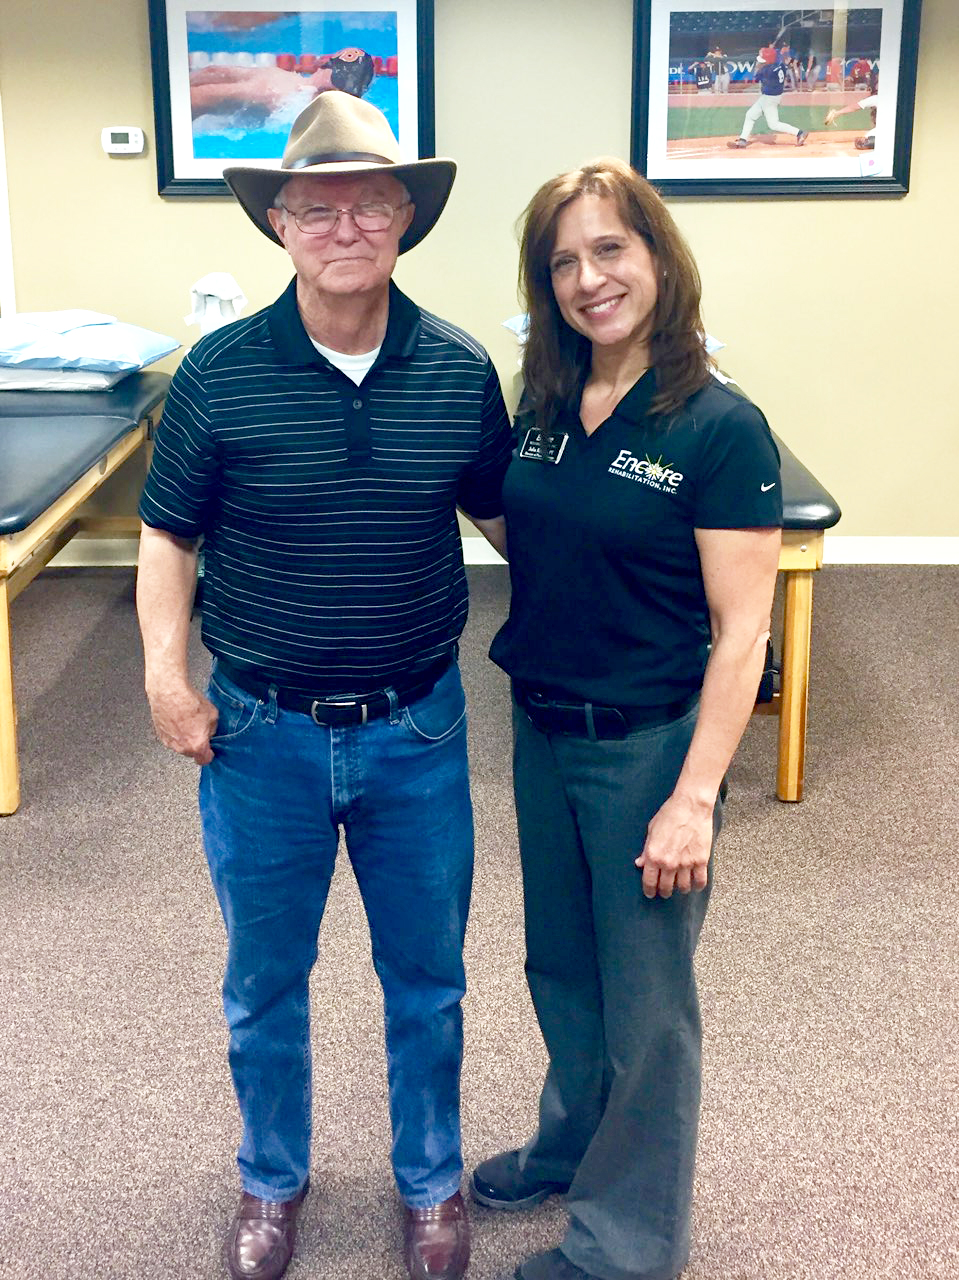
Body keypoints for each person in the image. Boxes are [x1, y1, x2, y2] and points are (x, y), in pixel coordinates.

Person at [136, 90, 512, 1280]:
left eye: (369, 203)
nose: (343, 225)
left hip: (416, 727)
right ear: (279, 226)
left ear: (405, 217)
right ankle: (269, 1177)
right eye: (316, 206)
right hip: (257, 733)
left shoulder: (457, 369)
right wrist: (162, 672)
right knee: (263, 976)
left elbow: (510, 519)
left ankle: (429, 1183)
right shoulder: (218, 374)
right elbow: (166, 535)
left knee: (427, 977)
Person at [470, 157, 783, 1280]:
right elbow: (532, 531)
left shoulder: (718, 425)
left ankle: (624, 1243)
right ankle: (570, 1139)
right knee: (560, 964)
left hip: (645, 747)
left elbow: (742, 634)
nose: (588, 276)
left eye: (609, 248)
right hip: (539, 727)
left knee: (646, 1005)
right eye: (562, 260)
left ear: (656, 256)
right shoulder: (547, 401)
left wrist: (693, 799)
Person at [729, 46, 808, 147]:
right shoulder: (780, 65)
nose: (761, 62)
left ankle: (800, 133)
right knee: (750, 115)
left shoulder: (766, 71)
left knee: (773, 124)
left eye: (763, 61)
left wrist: (759, 65)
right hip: (770, 97)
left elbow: (756, 76)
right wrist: (769, 51)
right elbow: (777, 57)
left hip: (769, 99)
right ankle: (743, 139)